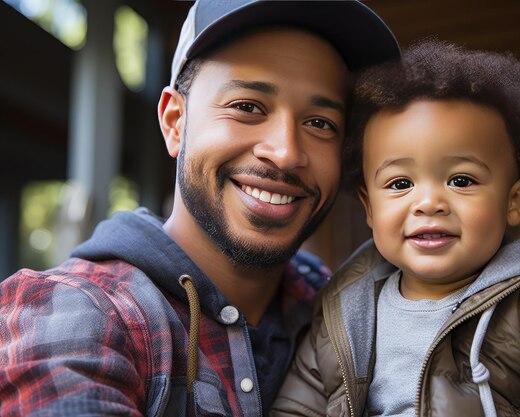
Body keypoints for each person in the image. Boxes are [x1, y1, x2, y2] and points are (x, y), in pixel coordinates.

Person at [0, 1, 400, 416]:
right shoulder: (77, 313)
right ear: (175, 122)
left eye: (321, 123)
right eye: (247, 107)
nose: (284, 152)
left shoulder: (349, 307)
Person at [271, 40, 520, 417]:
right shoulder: (344, 312)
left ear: (515, 200)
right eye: (399, 184)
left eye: (461, 180)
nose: (428, 203)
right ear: (368, 207)